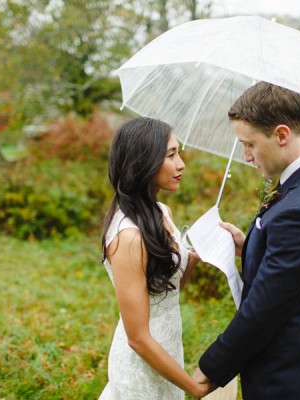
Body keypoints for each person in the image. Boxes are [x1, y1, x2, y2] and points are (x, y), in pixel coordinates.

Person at [193, 82, 300, 399]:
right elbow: (299, 273)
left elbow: (263, 312)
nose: (246, 156)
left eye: (250, 144)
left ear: (281, 135)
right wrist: (251, 247)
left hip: (285, 380)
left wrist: (209, 371)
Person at [99, 117, 210, 399]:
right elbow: (137, 338)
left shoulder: (161, 212)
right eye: (171, 155)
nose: (181, 163)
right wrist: (192, 386)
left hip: (168, 348)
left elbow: (165, 292)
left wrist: (194, 258)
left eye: (179, 152)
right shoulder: (129, 237)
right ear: (143, 162)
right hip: (142, 363)